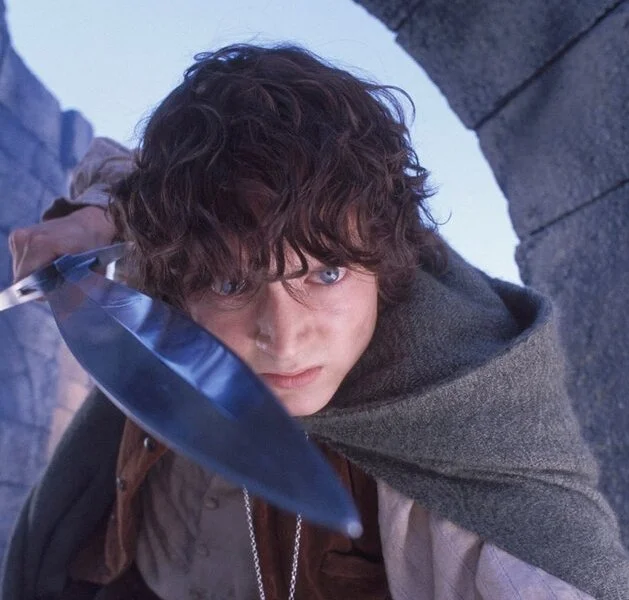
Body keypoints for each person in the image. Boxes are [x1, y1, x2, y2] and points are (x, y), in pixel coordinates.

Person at [3, 43, 629, 600]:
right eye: (232, 284)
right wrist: (96, 218)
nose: (283, 337)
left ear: (384, 263)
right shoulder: (173, 267)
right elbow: (121, 166)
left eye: (325, 274)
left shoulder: (456, 426)